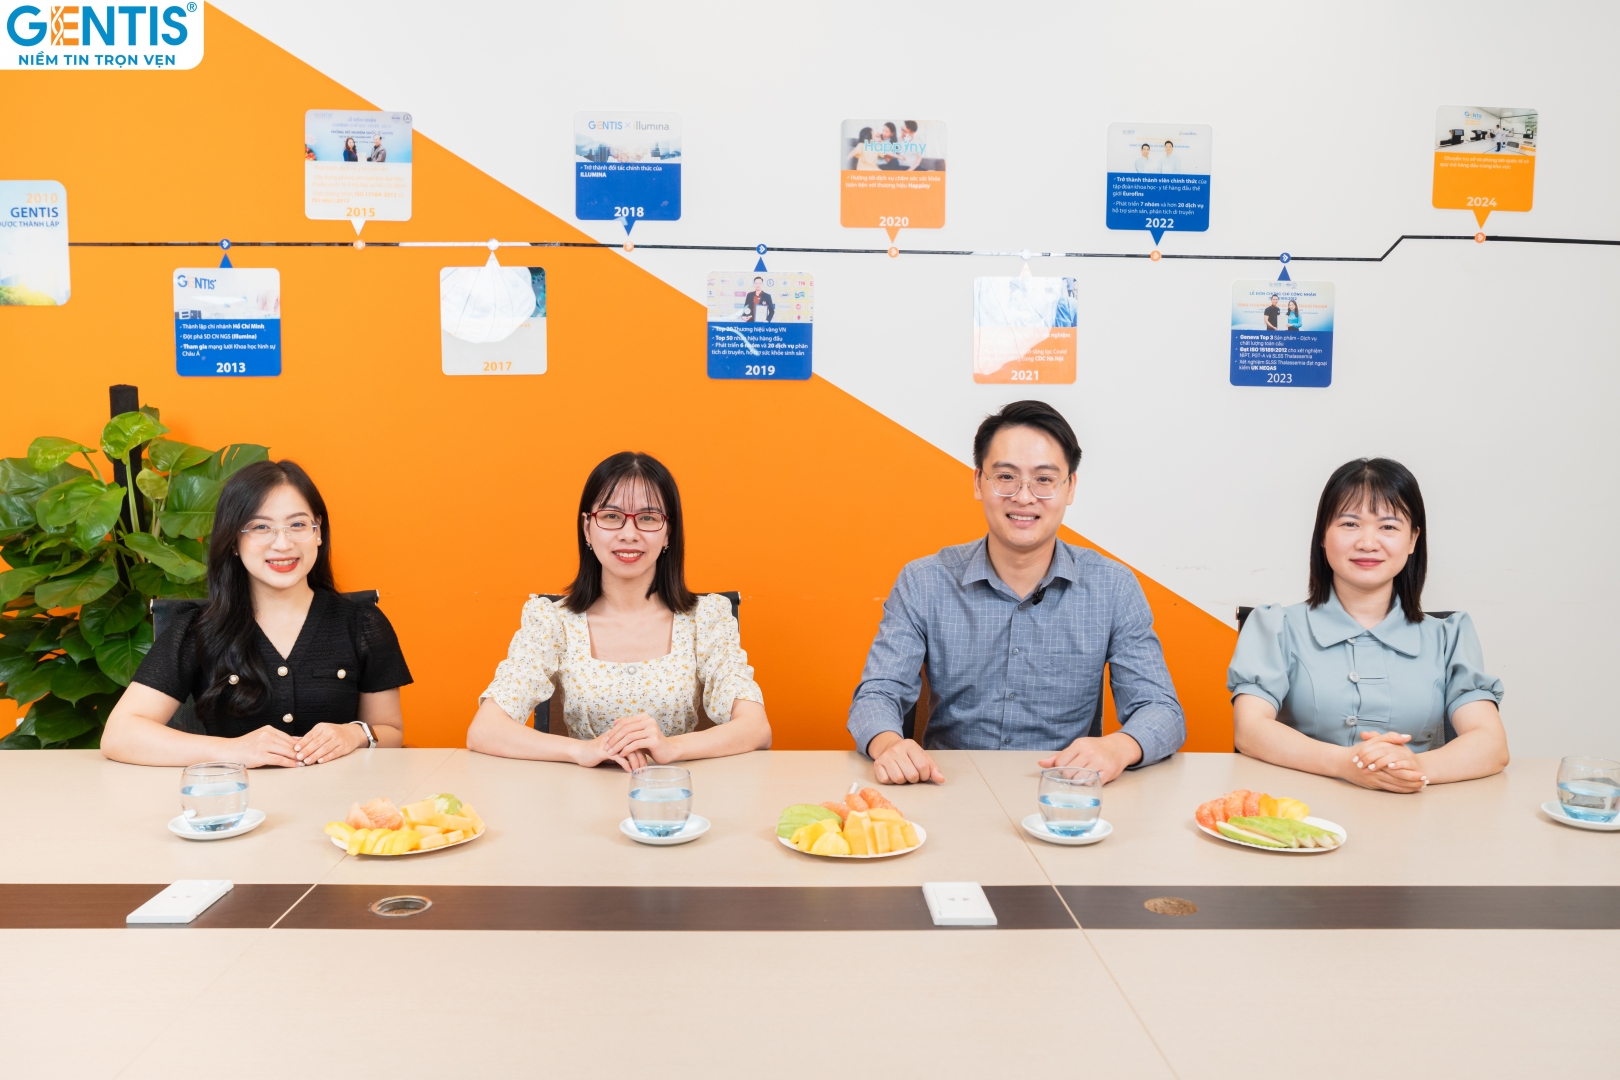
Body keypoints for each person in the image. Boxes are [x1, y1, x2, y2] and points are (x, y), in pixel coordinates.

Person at [847, 401, 1185, 785]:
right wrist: (889, 744)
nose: (1024, 497)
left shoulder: (1113, 586)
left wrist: (1119, 747)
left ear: (1070, 487)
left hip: (1065, 792)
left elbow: (1162, 710)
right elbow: (876, 694)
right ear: (978, 482)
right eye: (1006, 476)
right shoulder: (925, 581)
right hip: (949, 786)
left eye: (1044, 479)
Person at [467, 452, 771, 769]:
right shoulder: (551, 621)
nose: (629, 534)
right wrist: (582, 750)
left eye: (648, 518)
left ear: (668, 531)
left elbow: (756, 727)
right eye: (611, 516)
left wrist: (671, 747)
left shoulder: (706, 617)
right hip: (579, 794)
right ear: (587, 528)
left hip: (675, 792)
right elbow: (485, 730)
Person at [101, 461, 411, 768]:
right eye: (261, 527)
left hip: (340, 799)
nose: (283, 544)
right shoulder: (196, 630)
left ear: (318, 531)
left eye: (298, 525)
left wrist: (353, 733)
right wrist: (234, 750)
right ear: (234, 541)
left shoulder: (362, 624)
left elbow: (391, 732)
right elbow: (120, 735)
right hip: (236, 797)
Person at [1228, 458, 1508, 791]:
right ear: (1322, 535)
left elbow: (1491, 744)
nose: (1368, 543)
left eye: (1388, 527)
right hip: (1298, 808)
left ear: (1413, 539)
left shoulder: (1449, 635)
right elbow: (1250, 729)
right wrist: (1344, 764)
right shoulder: (1274, 626)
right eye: (1350, 523)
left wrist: (1416, 767)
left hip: (1412, 809)